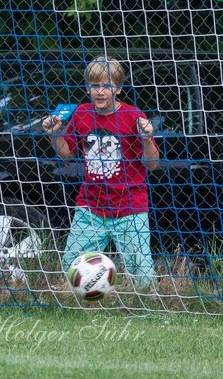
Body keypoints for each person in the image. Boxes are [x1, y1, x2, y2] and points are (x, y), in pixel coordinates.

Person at [42, 55, 160, 291]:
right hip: (91, 207)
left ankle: (148, 304)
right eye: (95, 86)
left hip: (129, 207)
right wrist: (54, 134)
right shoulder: (82, 114)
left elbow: (152, 164)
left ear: (118, 88)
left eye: (107, 85)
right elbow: (67, 153)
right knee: (72, 268)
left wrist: (146, 138)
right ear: (88, 88)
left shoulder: (133, 116)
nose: (101, 91)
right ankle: (84, 302)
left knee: (143, 275)